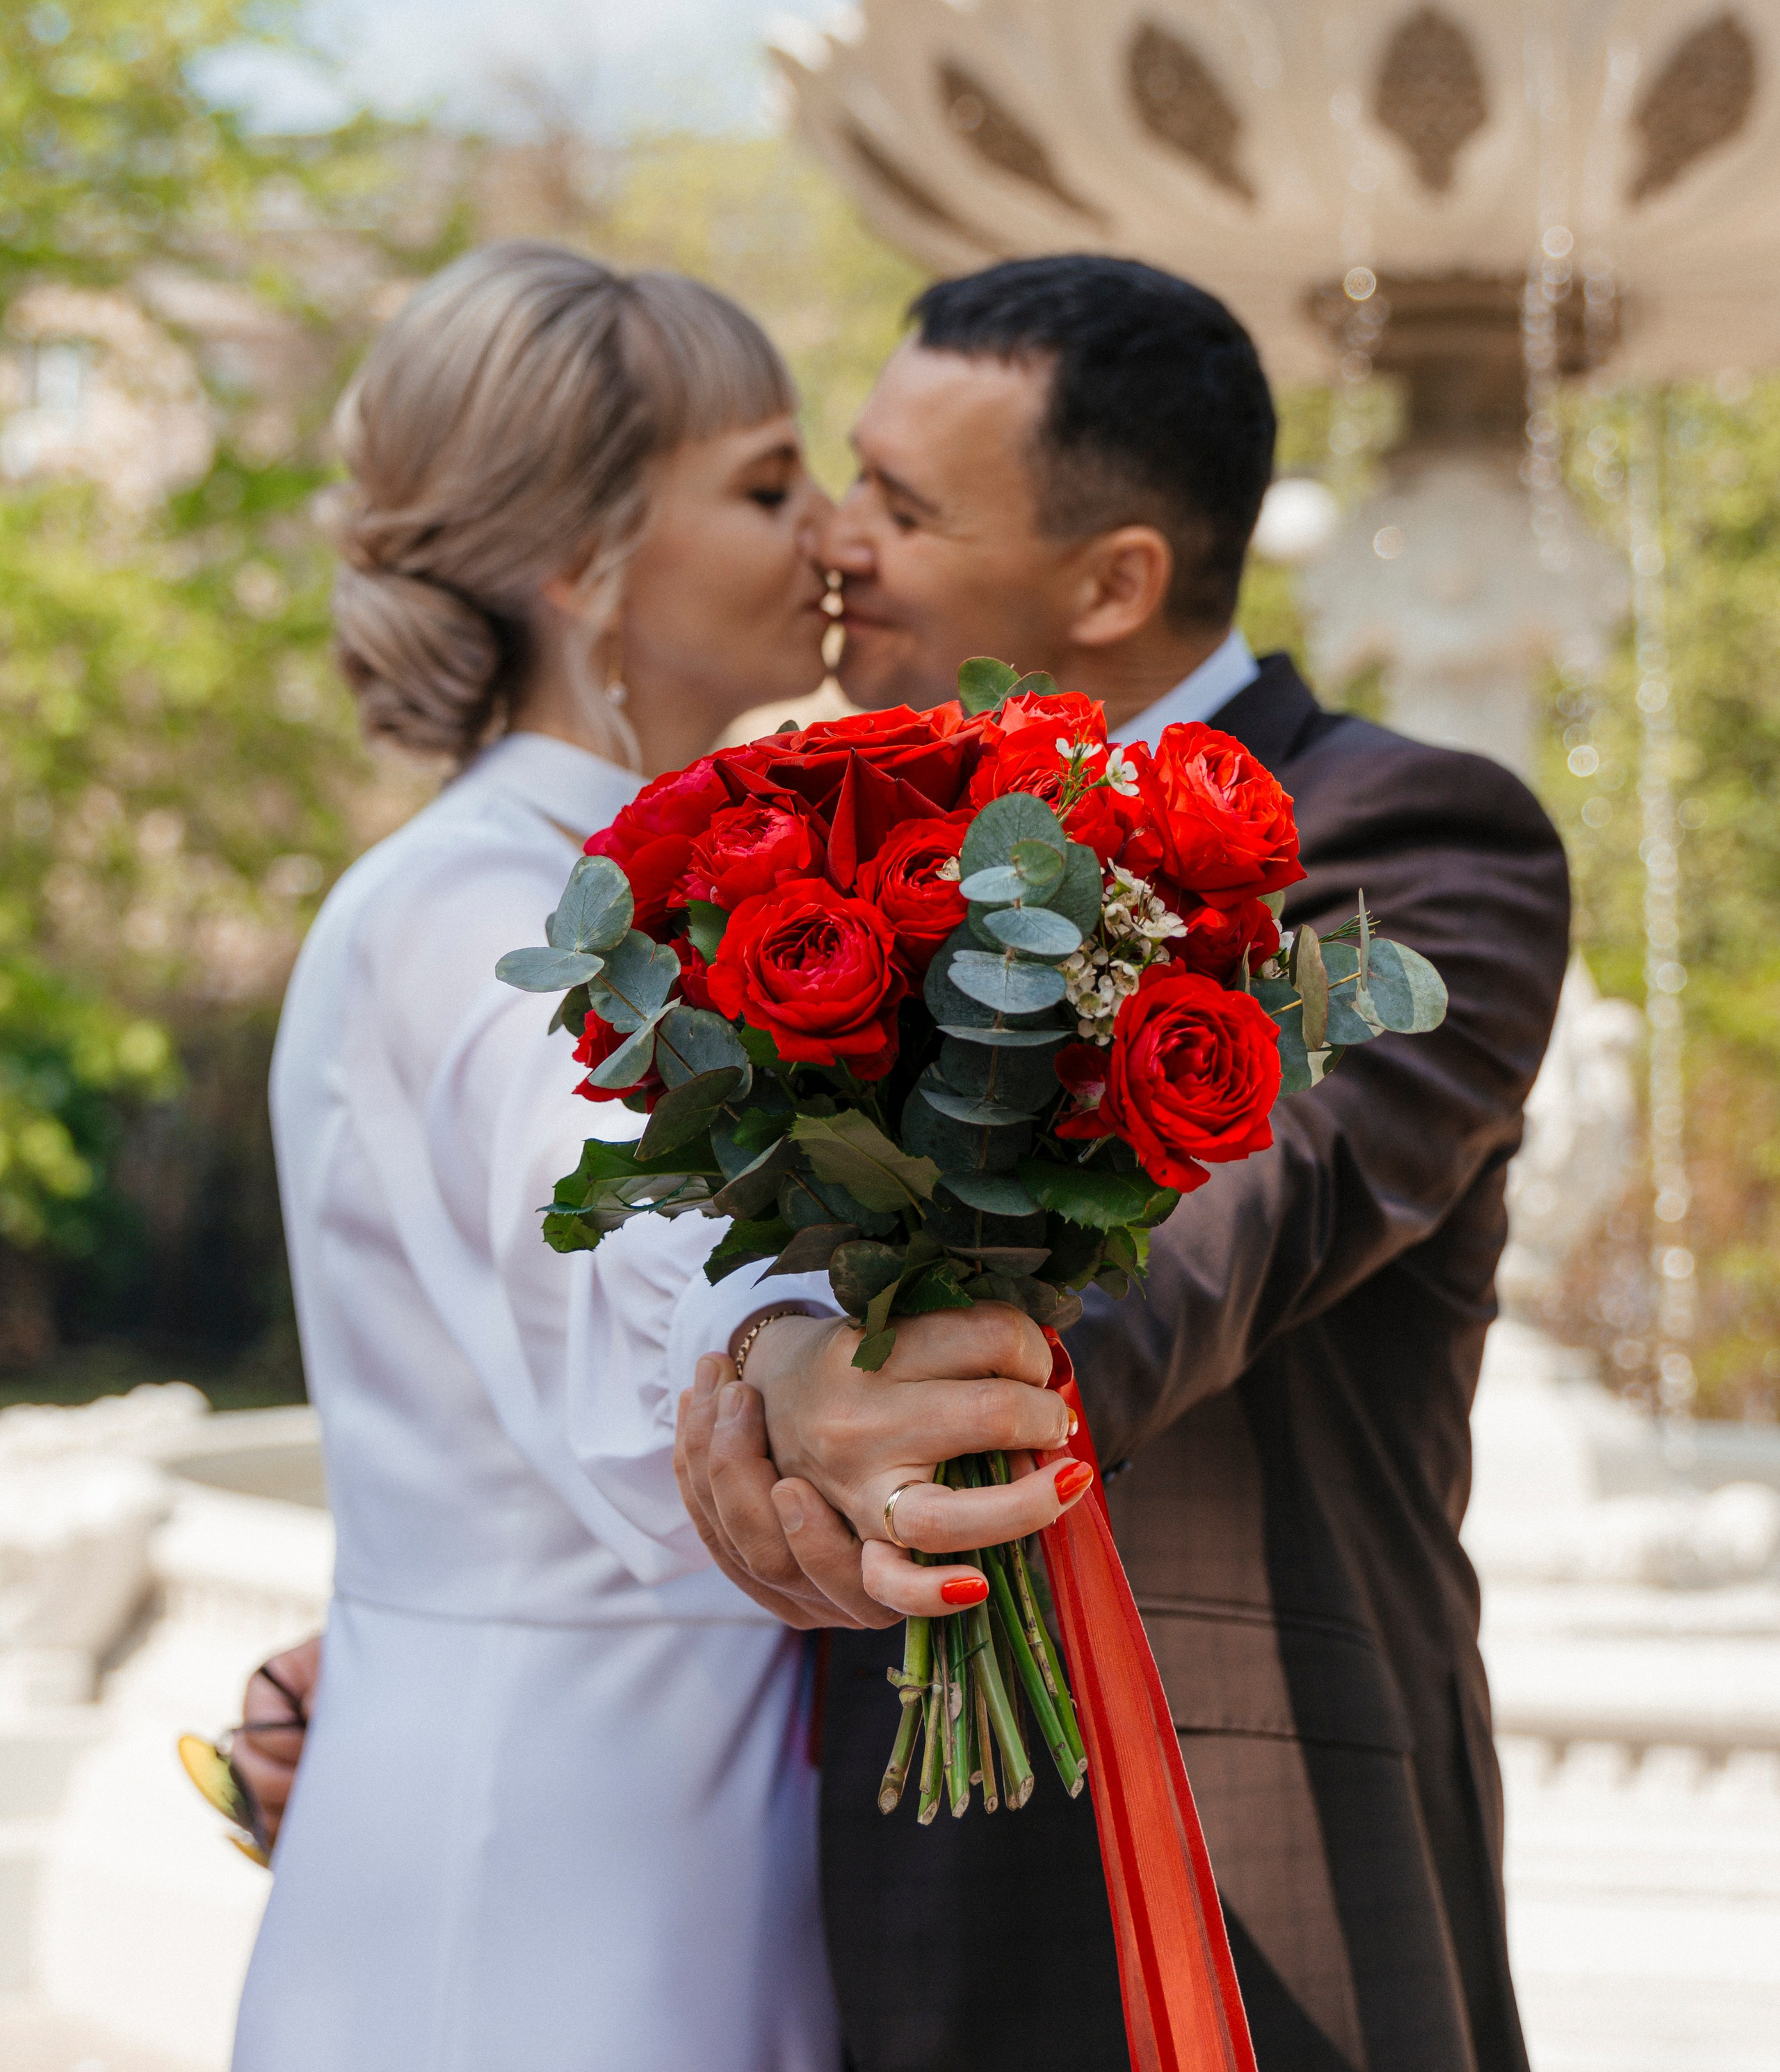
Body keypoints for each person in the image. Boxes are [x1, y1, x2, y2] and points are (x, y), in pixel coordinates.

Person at [679, 256, 1570, 2072]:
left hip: (1266, 1890)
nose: (840, 542)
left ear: (1113, 581)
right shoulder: (844, 858)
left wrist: (889, 1403)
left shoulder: (1414, 846)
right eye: (848, 477)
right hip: (889, 1879)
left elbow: (1234, 1217)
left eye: (906, 507)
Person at [229, 241, 1087, 2072]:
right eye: (769, 484)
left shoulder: (619, 893)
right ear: (580, 557)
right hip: (535, 1874)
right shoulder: (471, 907)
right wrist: (795, 1359)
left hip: (692, 1827)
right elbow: (608, 1223)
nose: (830, 537)